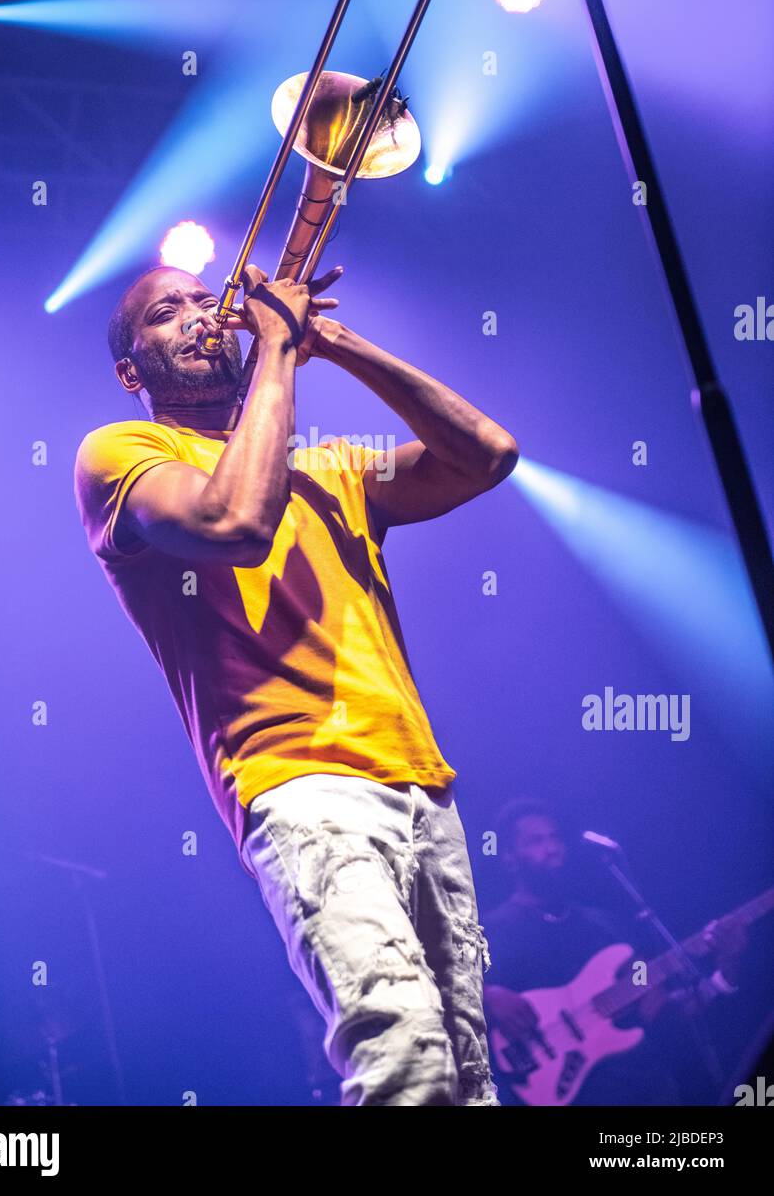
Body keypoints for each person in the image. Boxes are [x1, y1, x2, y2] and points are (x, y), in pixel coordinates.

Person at [73, 260, 518, 1106]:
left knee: (468, 1085)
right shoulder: (124, 451)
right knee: (406, 1060)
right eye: (169, 312)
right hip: (300, 785)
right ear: (132, 371)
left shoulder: (334, 468)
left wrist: (336, 342)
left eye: (208, 301)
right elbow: (233, 523)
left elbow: (489, 455)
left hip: (423, 788)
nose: (202, 316)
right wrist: (276, 345)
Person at [481, 799, 748, 1106]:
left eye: (555, 837)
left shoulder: (605, 925)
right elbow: (439, 994)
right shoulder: (492, 929)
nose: (552, 847)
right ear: (510, 859)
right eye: (536, 841)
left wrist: (727, 968)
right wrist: (487, 995)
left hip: (647, 1090)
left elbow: (671, 1012)